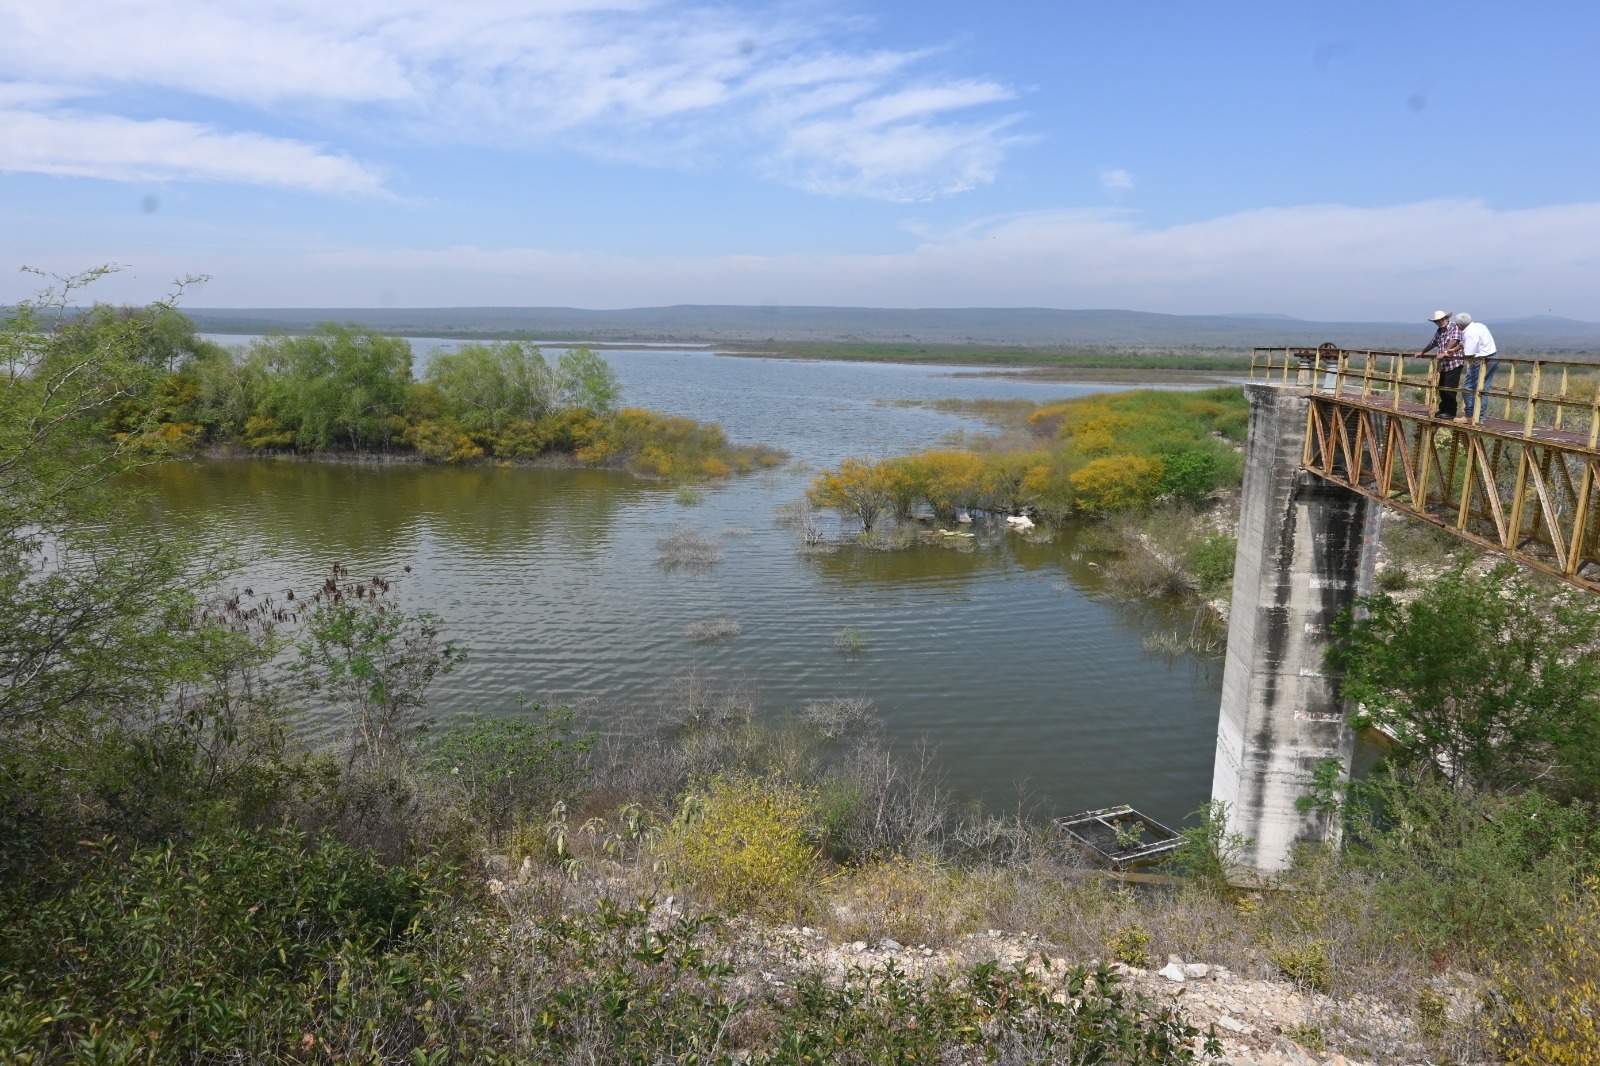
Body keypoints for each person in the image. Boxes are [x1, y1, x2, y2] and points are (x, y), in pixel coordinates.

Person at [1417, 310, 1464, 420]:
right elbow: (1433, 342)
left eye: (1442, 319)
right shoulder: (1439, 331)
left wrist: (1446, 352)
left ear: (1446, 318)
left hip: (1454, 363)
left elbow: (1454, 340)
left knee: (1449, 388)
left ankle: (1451, 412)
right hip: (1443, 364)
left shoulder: (1454, 327)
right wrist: (1423, 352)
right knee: (1441, 387)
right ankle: (1443, 409)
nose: (1441, 322)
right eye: (1438, 321)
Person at [1454, 312, 1498, 423]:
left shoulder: (1469, 334)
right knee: (1483, 389)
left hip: (1481, 360)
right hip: (1493, 357)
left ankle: (1470, 415)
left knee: (1468, 387)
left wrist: (1459, 353)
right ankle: (1480, 417)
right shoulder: (1480, 325)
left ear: (1459, 326)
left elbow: (1469, 354)